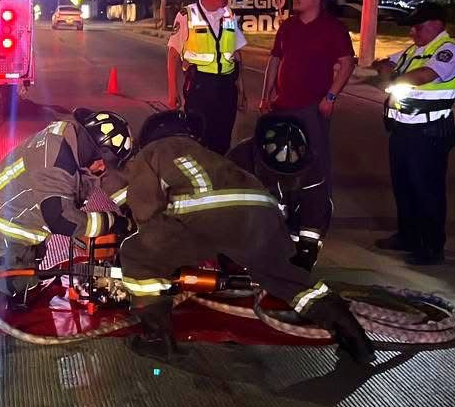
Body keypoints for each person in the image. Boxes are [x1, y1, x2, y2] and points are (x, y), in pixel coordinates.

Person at [114, 110, 373, 362]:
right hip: (262, 211)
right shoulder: (206, 154)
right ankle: (354, 338)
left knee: (137, 256)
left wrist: (146, 244)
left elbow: (146, 211)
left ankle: (156, 339)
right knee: (286, 279)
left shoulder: (152, 153)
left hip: (206, 216)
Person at [0, 109, 135, 311]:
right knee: (18, 289)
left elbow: (108, 178)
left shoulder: (77, 142)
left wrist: (132, 210)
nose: (104, 168)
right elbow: (61, 219)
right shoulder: (57, 163)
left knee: (34, 258)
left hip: (17, 212)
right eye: (104, 163)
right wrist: (112, 222)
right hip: (4, 218)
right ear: (96, 152)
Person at [255, 0, 355, 265]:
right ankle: (284, 216)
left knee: (314, 167)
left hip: (311, 110)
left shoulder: (332, 29)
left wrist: (331, 97)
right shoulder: (288, 27)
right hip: (281, 109)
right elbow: (275, 61)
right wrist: (265, 96)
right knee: (278, 165)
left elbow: (347, 63)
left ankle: (314, 222)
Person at [372, 2, 455, 266]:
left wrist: (393, 79)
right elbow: (383, 63)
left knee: (427, 190)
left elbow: (425, 75)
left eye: (418, 26)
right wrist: (388, 70)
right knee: (403, 186)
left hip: (428, 131)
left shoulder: (448, 51)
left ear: (437, 25)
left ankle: (432, 246)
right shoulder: (415, 50)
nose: (413, 31)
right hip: (402, 129)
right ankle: (408, 236)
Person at [228, 113, 327, 271]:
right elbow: (226, 211)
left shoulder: (312, 166)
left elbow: (315, 210)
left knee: (323, 208)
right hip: (249, 219)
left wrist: (306, 250)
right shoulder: (239, 160)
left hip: (288, 218)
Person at [166, 0, 248, 155]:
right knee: (199, 142)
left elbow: (236, 55)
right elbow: (173, 55)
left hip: (227, 88)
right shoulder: (186, 15)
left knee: (223, 141)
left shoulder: (229, 14)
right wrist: (173, 93)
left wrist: (241, 90)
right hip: (200, 87)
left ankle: (218, 179)